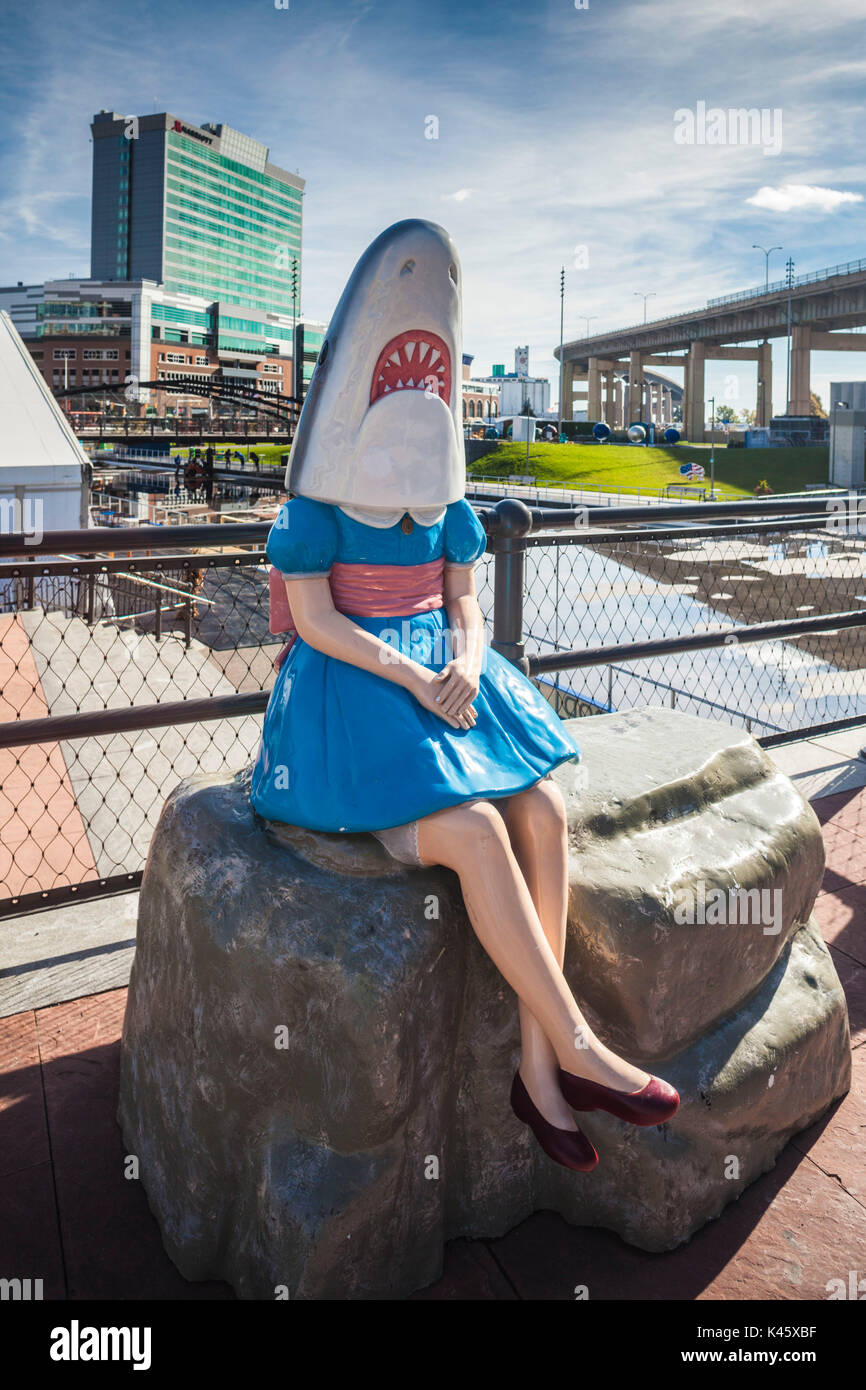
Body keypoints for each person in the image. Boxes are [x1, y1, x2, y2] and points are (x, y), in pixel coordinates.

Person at [250, 219, 678, 1174]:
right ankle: (577, 1047)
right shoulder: (314, 512)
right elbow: (316, 623)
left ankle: (537, 1067)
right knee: (478, 831)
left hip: (445, 673)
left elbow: (468, 602)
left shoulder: (450, 511)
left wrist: (472, 661)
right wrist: (411, 671)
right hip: (352, 691)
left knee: (545, 808)